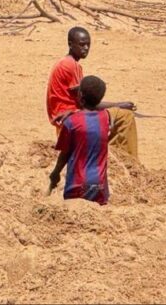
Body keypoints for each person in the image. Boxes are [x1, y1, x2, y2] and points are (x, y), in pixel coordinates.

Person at [45, 27, 139, 159]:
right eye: (82, 44)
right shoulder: (70, 66)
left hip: (67, 116)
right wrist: (119, 105)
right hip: (70, 117)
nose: (86, 48)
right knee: (125, 116)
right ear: (70, 44)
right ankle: (126, 160)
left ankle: (112, 155)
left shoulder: (68, 64)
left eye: (88, 44)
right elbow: (87, 104)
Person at [48, 76, 113, 205]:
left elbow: (64, 154)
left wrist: (55, 173)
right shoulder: (106, 117)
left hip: (77, 185)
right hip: (100, 185)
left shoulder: (70, 122)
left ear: (80, 97)